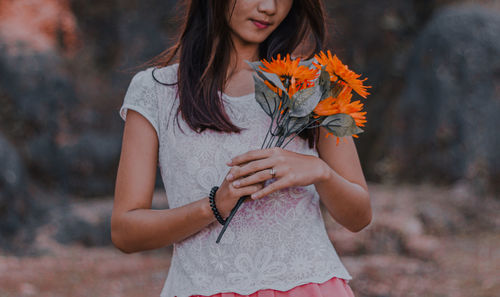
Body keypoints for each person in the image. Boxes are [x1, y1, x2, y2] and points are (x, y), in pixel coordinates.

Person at [111, 0, 372, 296]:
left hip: (308, 287)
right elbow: (125, 231)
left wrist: (321, 172)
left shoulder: (310, 85)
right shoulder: (155, 92)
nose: (269, 7)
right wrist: (213, 206)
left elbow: (359, 216)